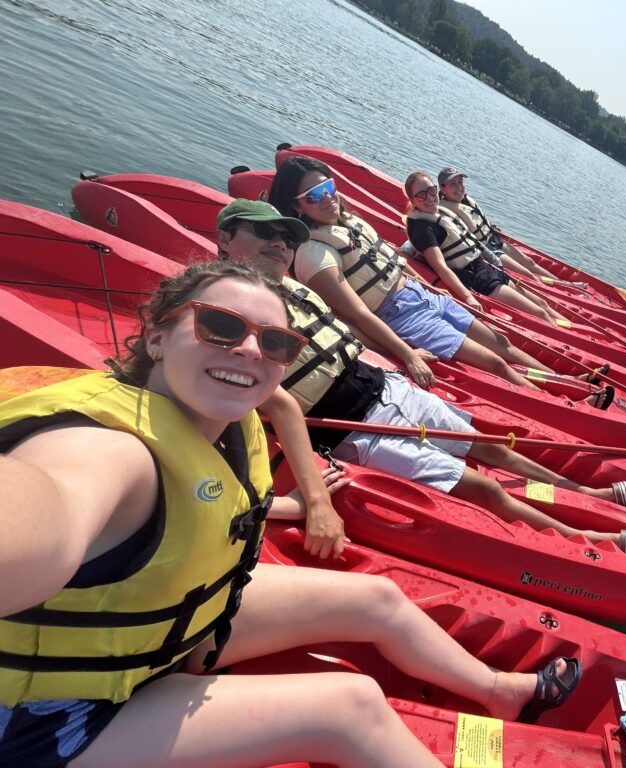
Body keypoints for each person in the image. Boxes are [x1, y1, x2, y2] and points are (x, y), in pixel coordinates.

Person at [0, 260, 582, 768]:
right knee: (347, 710)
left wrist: (297, 505)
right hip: (55, 718)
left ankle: (499, 689)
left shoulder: (224, 419)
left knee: (374, 600)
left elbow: (219, 501)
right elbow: (45, 513)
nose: (251, 350)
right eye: (220, 327)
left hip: (166, 629)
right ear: (157, 336)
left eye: (275, 344)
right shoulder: (110, 449)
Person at [215, 199, 626, 560]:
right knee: (485, 486)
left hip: (387, 388)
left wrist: (401, 355)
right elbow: (267, 399)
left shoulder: (290, 287)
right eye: (264, 233)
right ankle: (591, 540)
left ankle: (587, 492)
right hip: (351, 427)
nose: (279, 244)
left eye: (283, 237)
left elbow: (341, 333)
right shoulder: (225, 308)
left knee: (493, 447)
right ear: (226, 238)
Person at [266, 156, 596, 399]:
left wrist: (428, 287)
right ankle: (563, 403)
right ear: (296, 207)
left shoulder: (348, 224)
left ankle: (565, 383)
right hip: (399, 316)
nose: (327, 198)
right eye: (313, 196)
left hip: (420, 296)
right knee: (495, 364)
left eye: (328, 187)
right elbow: (357, 314)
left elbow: (392, 260)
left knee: (502, 343)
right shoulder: (314, 254)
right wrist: (406, 354)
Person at [404, 171, 565, 323]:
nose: (429, 198)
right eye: (421, 195)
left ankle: (575, 330)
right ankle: (564, 335)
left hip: (485, 267)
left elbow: (473, 242)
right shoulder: (423, 229)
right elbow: (441, 268)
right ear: (412, 200)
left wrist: (494, 260)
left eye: (431, 191)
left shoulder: (441, 213)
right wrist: (468, 297)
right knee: (540, 313)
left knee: (542, 303)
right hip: (476, 279)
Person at [437, 166, 558, 280]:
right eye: (452, 184)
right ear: (442, 188)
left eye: (460, 182)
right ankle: (556, 292)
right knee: (526, 273)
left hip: (494, 239)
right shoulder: (445, 211)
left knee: (530, 262)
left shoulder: (464, 200)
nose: (459, 188)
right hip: (486, 249)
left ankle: (569, 286)